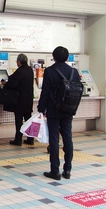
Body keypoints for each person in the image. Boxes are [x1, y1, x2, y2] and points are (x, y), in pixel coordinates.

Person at [37, 46, 76, 180]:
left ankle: (55, 171)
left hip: (54, 110)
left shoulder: (50, 71)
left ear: (53, 57)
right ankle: (68, 169)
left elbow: (45, 91)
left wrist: (41, 108)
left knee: (54, 139)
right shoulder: (73, 72)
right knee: (68, 138)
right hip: (68, 110)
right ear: (67, 58)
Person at [5, 54, 35, 146]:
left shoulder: (20, 71)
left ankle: (18, 139)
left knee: (19, 121)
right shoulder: (30, 70)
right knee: (28, 120)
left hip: (19, 100)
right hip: (28, 100)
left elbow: (12, 84)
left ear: (19, 61)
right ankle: (30, 139)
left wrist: (5, 84)